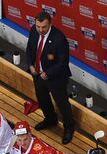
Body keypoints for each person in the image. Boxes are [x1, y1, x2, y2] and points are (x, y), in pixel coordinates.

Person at [25, 11, 75, 145]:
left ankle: (69, 128)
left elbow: (63, 63)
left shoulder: (59, 38)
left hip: (56, 78)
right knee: (42, 99)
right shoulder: (34, 31)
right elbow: (29, 49)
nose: (40, 30)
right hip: (37, 75)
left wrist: (48, 73)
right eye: (38, 27)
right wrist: (30, 65)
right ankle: (50, 119)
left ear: (50, 24)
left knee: (62, 104)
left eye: (44, 27)